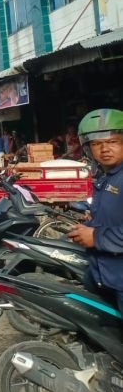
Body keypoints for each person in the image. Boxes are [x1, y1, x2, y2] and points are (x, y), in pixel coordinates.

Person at [68, 109, 123, 313]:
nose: (105, 149)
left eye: (113, 142)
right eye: (97, 144)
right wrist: (89, 226)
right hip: (107, 274)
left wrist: (96, 237)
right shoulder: (106, 176)